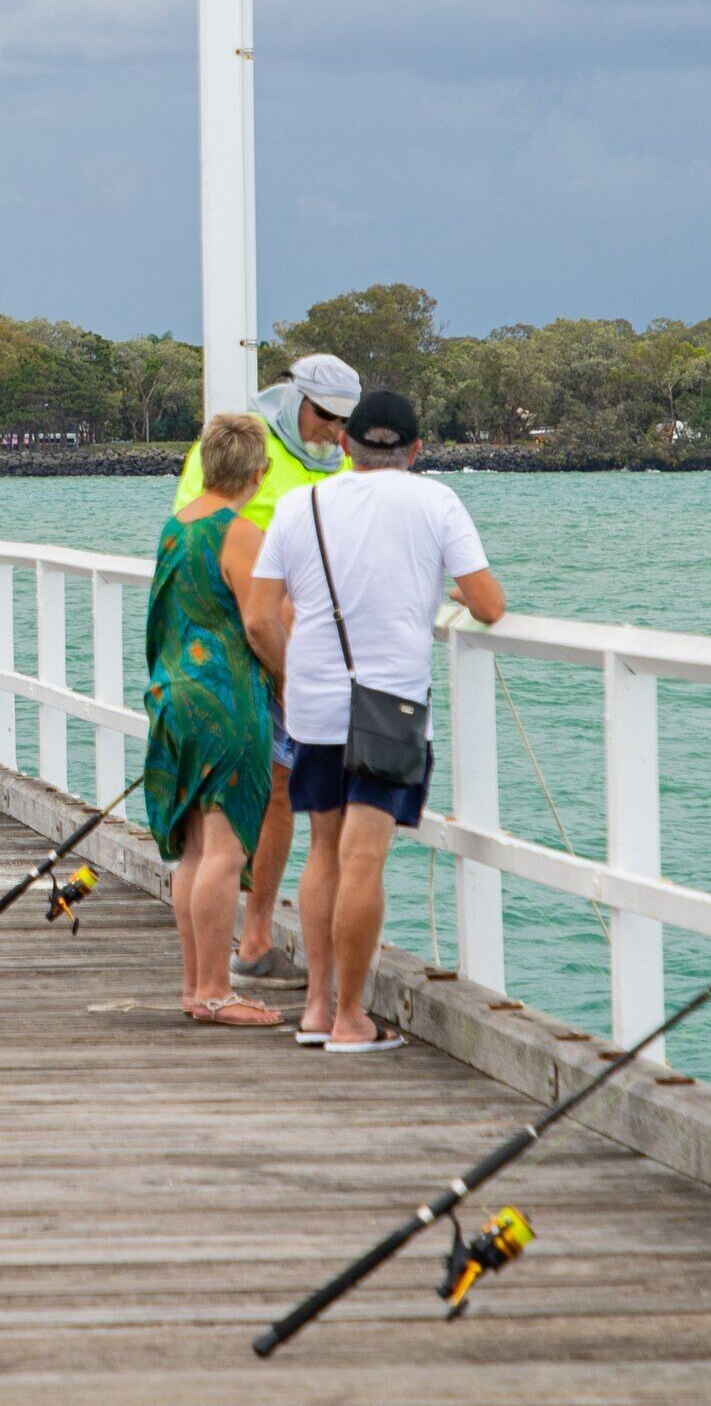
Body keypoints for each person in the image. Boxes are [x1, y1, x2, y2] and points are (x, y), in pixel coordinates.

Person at [244, 388, 506, 1051]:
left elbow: (259, 611)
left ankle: (314, 1007)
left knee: (323, 851)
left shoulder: (301, 504)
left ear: (343, 445)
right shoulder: (436, 501)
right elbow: (489, 605)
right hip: (391, 706)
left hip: (312, 705)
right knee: (365, 861)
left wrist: (290, 669)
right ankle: (351, 1019)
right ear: (416, 450)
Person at [170, 352, 364, 985]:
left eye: (346, 423)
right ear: (296, 398)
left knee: (281, 786)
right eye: (327, 417)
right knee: (221, 821)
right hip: (248, 644)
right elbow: (195, 533)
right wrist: (271, 647)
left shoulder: (343, 457)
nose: (336, 433)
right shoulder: (237, 441)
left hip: (309, 644)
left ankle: (253, 938)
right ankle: (213, 980)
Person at [147, 412, 284, 1027]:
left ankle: (194, 986)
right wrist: (290, 681)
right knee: (226, 850)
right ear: (256, 473)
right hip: (225, 701)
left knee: (198, 851)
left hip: (175, 696)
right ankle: (215, 991)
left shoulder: (175, 527)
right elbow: (259, 623)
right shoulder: (241, 534)